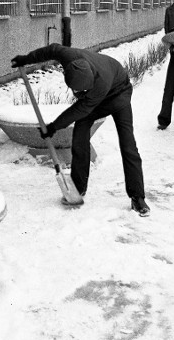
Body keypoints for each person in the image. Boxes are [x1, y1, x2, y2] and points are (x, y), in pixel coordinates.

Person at [11, 44, 149, 216]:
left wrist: (54, 126)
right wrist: (26, 59)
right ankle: (78, 186)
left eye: (82, 90)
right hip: (93, 97)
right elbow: (51, 50)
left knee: (128, 143)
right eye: (76, 90)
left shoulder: (100, 83)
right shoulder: (69, 56)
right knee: (79, 137)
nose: (77, 93)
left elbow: (81, 109)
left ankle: (138, 197)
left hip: (118, 95)